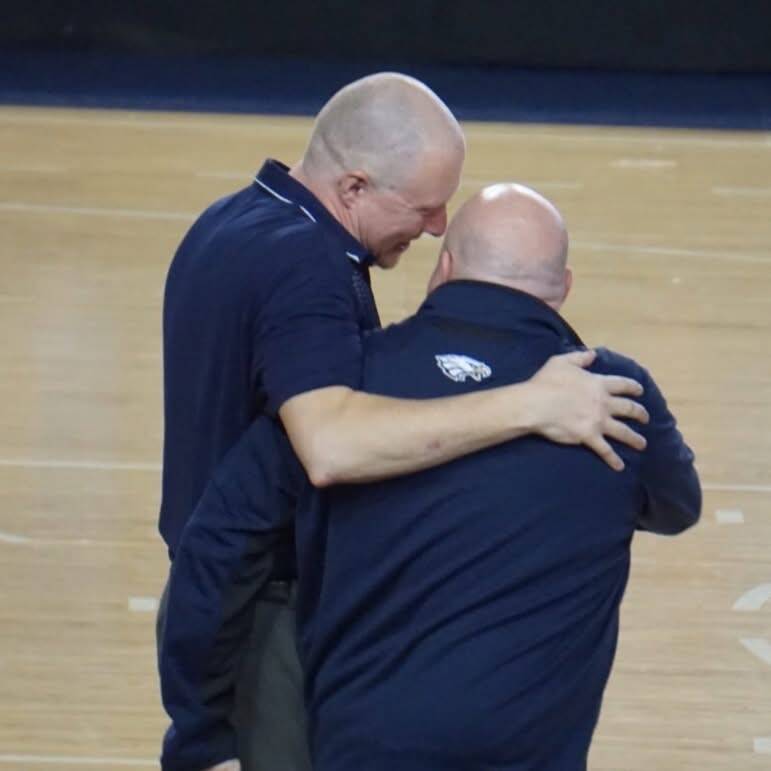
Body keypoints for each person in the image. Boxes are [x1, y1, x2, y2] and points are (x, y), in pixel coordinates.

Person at [159, 72, 650, 770]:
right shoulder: (307, 265)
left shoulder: (229, 220)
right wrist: (528, 404)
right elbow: (329, 444)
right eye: (422, 207)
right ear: (354, 187)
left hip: (214, 592)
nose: (436, 226)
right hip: (261, 613)